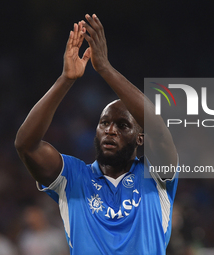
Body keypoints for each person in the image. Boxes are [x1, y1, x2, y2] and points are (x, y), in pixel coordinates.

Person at [15, 14, 178, 254]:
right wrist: (65, 80)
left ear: (140, 138)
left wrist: (105, 69)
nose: (110, 130)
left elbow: (160, 132)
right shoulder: (72, 176)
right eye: (104, 123)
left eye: (122, 125)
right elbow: (25, 145)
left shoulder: (156, 175)